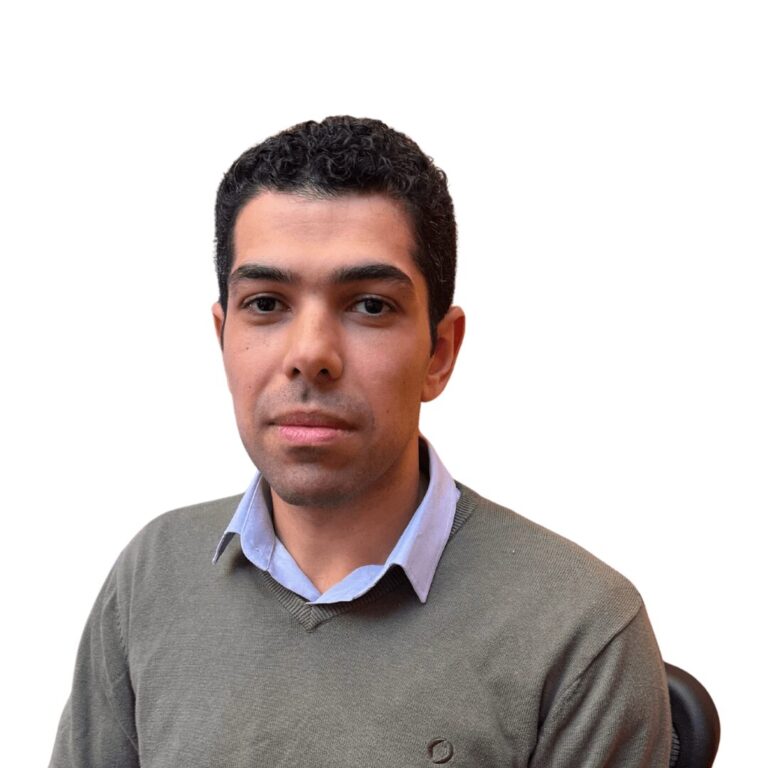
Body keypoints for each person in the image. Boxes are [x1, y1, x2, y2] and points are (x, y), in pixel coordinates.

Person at [50, 116, 671, 767]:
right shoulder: (153, 575)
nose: (310, 354)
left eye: (370, 305)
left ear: (439, 352)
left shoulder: (580, 630)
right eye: (266, 303)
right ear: (222, 337)